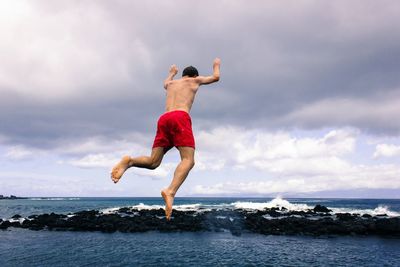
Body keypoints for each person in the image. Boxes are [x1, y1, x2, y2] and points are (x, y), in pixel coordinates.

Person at [111, 58, 221, 220]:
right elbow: (215, 77)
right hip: (180, 117)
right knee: (188, 160)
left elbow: (165, 82)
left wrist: (172, 72)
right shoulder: (194, 80)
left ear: (181, 76)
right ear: (193, 76)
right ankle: (171, 191)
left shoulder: (170, 84)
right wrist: (216, 65)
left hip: (164, 119)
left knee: (153, 162)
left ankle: (130, 161)